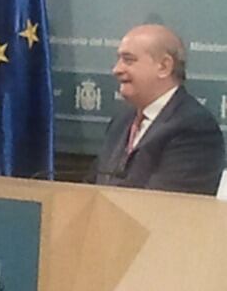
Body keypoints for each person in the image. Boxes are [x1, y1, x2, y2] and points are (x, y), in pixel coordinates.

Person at [87, 24, 225, 195]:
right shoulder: (121, 121)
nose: (117, 69)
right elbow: (92, 187)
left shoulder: (195, 128)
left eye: (128, 60)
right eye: (119, 60)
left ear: (164, 67)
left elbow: (166, 202)